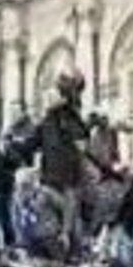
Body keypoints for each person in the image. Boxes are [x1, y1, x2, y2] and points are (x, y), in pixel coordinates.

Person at [36, 71, 90, 255]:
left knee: (71, 225)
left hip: (67, 182)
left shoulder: (68, 115)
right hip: (49, 182)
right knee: (50, 225)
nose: (47, 96)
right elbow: (32, 143)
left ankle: (74, 248)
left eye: (51, 92)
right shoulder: (47, 120)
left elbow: (82, 139)